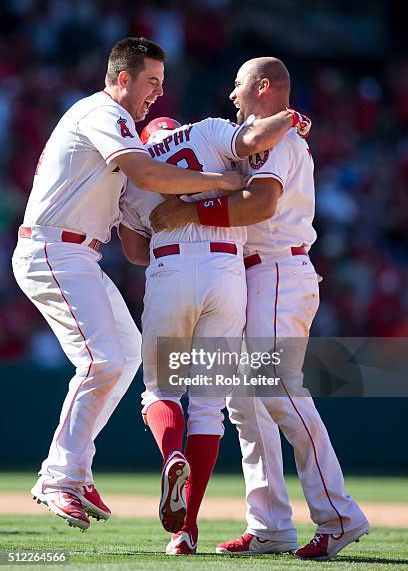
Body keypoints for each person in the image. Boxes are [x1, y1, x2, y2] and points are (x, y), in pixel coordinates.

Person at [11, 36, 245, 532]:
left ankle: (73, 469)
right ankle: (59, 475)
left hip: (78, 252)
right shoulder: (104, 113)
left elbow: (137, 235)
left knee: (127, 353)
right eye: (151, 82)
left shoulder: (119, 128)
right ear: (123, 79)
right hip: (54, 247)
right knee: (102, 359)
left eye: (162, 83)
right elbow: (145, 172)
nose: (158, 93)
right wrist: (222, 183)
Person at [149, 57, 370, 561]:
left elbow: (260, 205)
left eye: (239, 84)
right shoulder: (267, 134)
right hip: (254, 273)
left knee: (278, 392)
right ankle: (270, 524)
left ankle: (339, 515)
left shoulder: (282, 141)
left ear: (263, 87)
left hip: (276, 270)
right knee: (244, 403)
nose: (231, 94)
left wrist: (187, 210)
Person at [119, 108, 310, 555]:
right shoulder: (206, 131)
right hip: (226, 270)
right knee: (208, 408)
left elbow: (133, 251)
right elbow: (252, 141)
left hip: (168, 265)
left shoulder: (137, 169)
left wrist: (171, 233)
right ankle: (185, 532)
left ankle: (172, 457)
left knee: (161, 392)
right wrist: (291, 119)